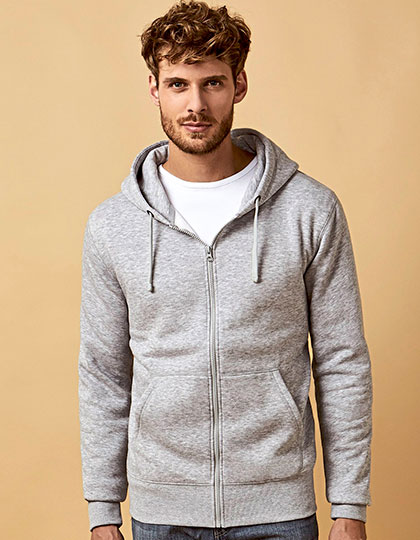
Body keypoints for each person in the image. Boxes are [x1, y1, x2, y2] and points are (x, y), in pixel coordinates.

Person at [77, 1, 373, 539]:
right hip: (161, 512)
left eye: (212, 83)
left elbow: (341, 360)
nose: (195, 105)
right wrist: (102, 509)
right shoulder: (113, 224)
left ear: (239, 84)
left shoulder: (309, 210)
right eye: (178, 85)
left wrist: (349, 506)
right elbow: (103, 372)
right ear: (154, 88)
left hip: (279, 510)